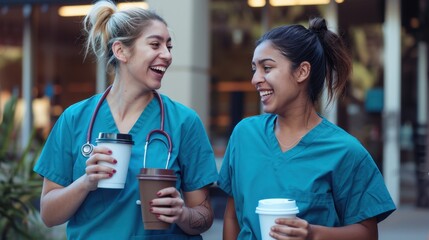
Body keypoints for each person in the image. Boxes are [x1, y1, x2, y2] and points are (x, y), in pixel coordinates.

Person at [33, 1, 218, 239]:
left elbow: (204, 217)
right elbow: (48, 214)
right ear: (121, 51)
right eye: (155, 44)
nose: (167, 55)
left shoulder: (184, 122)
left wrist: (182, 214)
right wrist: (86, 182)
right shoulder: (74, 119)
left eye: (169, 46)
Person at [218, 17, 396, 240]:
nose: (255, 79)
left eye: (267, 68)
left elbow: (367, 234)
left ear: (302, 72)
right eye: (254, 69)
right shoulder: (244, 135)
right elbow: (232, 217)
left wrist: (313, 233)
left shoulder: (346, 151)